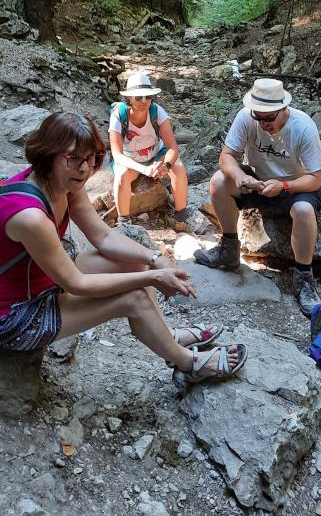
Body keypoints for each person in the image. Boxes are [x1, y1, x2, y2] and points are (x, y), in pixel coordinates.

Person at [0, 111, 247, 384]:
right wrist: (153, 277)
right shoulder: (30, 216)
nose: (84, 168)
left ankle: (166, 335)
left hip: (37, 282)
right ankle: (190, 365)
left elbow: (103, 236)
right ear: (48, 154)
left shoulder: (64, 183)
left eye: (91, 157)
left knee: (134, 262)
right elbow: (76, 283)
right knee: (135, 298)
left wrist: (154, 259)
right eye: (73, 158)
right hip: (16, 315)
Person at [194, 78, 321, 317]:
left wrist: (284, 186)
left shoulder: (303, 127)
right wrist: (240, 178)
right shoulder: (246, 117)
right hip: (260, 182)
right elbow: (226, 156)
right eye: (259, 117)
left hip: (296, 185)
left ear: (283, 110)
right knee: (219, 181)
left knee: (304, 211)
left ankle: (304, 277)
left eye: (269, 118)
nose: (263, 123)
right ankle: (229, 248)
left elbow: (315, 178)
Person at [109, 71, 191, 227]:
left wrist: (164, 165)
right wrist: (144, 169)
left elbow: (172, 147)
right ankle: (124, 222)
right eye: (138, 97)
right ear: (129, 99)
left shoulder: (157, 111)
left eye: (148, 96)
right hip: (130, 161)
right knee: (122, 175)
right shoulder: (118, 115)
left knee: (178, 167)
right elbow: (117, 155)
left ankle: (181, 216)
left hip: (156, 156)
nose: (144, 101)